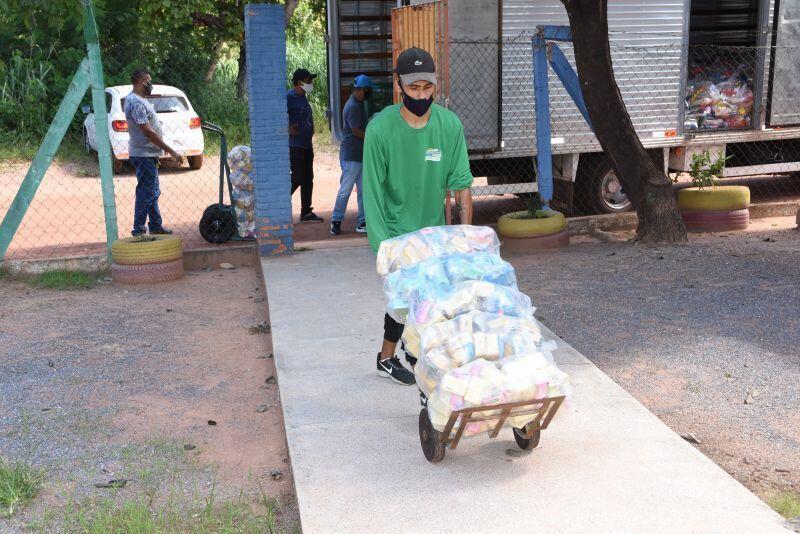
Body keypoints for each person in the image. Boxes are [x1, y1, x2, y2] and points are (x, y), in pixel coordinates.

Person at [363, 47, 474, 386]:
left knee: (430, 300)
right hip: (396, 232)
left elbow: (461, 186)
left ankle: (407, 354)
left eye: (427, 88)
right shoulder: (380, 130)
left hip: (434, 232)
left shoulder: (449, 125)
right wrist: (383, 248)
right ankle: (389, 356)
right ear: (398, 85)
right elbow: (372, 192)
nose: (421, 96)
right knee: (403, 301)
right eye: (413, 89)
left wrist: (466, 239)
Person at [124, 69, 183, 236]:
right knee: (146, 193)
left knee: (152, 191)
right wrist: (171, 151)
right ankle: (139, 230)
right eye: (148, 81)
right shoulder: (135, 103)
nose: (150, 85)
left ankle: (155, 225)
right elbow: (148, 132)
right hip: (143, 155)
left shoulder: (141, 100)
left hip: (149, 154)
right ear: (141, 81)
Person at [330, 74, 374, 236]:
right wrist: (372, 137)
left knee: (363, 190)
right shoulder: (354, 106)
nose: (370, 93)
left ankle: (362, 221)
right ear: (362, 89)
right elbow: (356, 131)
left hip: (358, 154)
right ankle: (335, 220)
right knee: (345, 190)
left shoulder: (357, 103)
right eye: (369, 90)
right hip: (352, 156)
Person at [287, 68, 323, 223]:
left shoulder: (303, 97)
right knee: (298, 177)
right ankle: (279, 201)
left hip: (306, 145)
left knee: (308, 179)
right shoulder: (289, 97)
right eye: (308, 81)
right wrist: (287, 128)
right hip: (295, 146)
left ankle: (306, 212)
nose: (311, 83)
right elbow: (277, 115)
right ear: (298, 83)